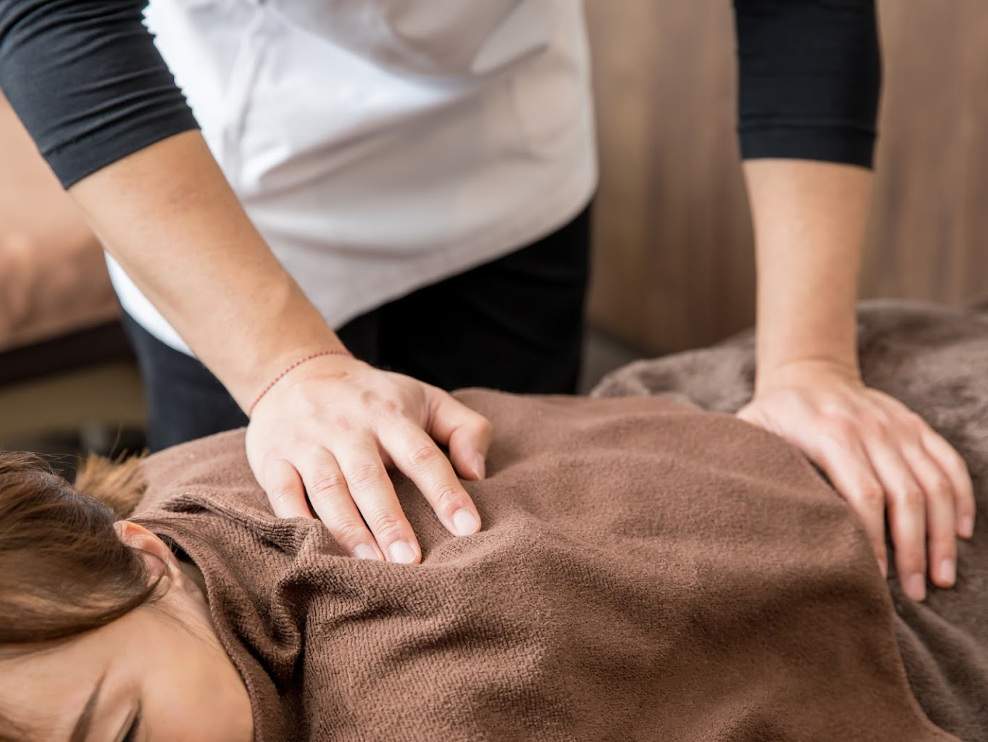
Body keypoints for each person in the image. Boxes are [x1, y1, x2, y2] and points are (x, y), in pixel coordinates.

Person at [0, 1, 972, 602]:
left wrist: (806, 362)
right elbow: (55, 17)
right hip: (232, 190)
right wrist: (291, 369)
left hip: (504, 148)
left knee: (513, 550)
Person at [3, 389, 983, 740]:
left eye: (123, 736)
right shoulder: (167, 486)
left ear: (145, 560)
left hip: (871, 533)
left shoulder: (429, 695)